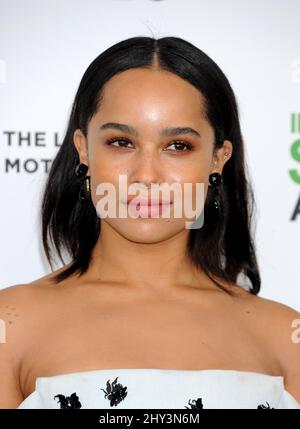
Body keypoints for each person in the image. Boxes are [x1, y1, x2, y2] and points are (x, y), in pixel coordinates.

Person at [0, 36, 299, 409]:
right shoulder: (10, 327)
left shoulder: (285, 338)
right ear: (83, 149)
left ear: (218, 159)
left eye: (178, 146)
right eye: (121, 141)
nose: (146, 175)